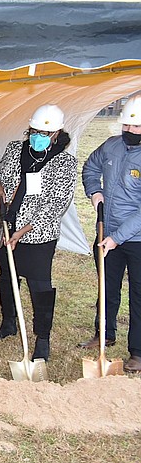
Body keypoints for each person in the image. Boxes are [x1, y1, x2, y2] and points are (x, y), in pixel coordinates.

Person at [0, 104, 76, 361]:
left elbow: (56, 204)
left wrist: (23, 231)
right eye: (35, 131)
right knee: (7, 275)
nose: (38, 136)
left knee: (39, 285)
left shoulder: (64, 162)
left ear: (57, 133)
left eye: (45, 133)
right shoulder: (15, 149)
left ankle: (42, 338)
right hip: (7, 225)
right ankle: (8, 323)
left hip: (38, 234)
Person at [80, 94, 141, 372]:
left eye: (136, 127)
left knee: (138, 295)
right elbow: (90, 167)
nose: (130, 132)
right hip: (106, 231)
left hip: (135, 239)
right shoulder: (111, 146)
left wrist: (117, 238)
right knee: (107, 287)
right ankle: (104, 334)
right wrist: (95, 191)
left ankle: (138, 352)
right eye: (126, 126)